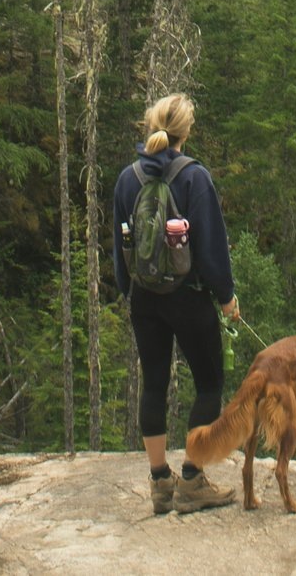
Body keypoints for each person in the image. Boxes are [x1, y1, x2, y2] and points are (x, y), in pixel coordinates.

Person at [112, 93, 241, 514]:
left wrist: (126, 289)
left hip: (145, 299)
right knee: (208, 385)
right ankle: (191, 479)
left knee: (153, 384)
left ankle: (159, 482)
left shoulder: (127, 178)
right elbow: (211, 248)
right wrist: (226, 298)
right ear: (186, 132)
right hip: (188, 297)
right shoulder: (194, 177)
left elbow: (120, 246)